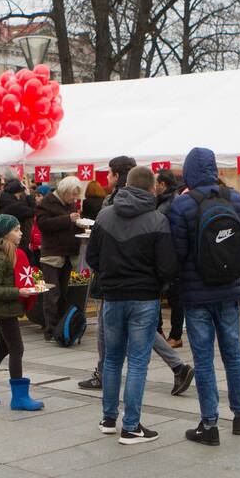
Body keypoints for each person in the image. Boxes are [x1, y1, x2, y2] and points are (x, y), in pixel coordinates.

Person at [168, 147, 240, 445]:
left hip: (196, 294)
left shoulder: (182, 205)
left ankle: (209, 424)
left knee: (203, 359)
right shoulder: (236, 199)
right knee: (234, 354)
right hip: (229, 289)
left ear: (190, 171)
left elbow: (177, 252)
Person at [87, 166, 178, 442]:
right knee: (138, 362)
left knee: (112, 359)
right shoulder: (157, 219)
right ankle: (132, 425)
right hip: (144, 297)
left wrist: (108, 275)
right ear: (152, 188)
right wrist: (158, 285)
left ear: (126, 184)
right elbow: (167, 266)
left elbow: (92, 257)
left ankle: (108, 418)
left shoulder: (104, 215)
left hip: (112, 296)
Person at [0, 214, 44, 411]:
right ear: (5, 234)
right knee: (17, 349)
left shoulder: (10, 253)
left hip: (9, 307)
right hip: (4, 309)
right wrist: (18, 292)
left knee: (3, 349)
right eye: (16, 230)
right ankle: (19, 398)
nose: (21, 233)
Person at [36, 175, 82, 341]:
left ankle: (62, 327)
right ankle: (50, 329)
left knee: (63, 293)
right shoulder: (47, 202)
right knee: (52, 293)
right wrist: (67, 219)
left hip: (68, 253)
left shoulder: (69, 203)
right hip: (52, 254)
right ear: (64, 191)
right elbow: (43, 225)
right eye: (72, 195)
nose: (74, 198)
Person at [155, 169, 184, 347]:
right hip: (164, 253)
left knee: (175, 296)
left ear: (163, 185)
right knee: (161, 294)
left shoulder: (173, 202)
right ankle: (160, 332)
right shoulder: (163, 200)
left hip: (171, 254)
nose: (153, 186)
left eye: (156, 182)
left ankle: (175, 335)